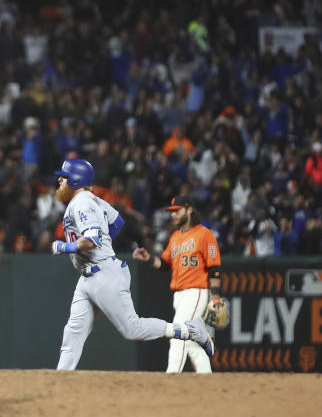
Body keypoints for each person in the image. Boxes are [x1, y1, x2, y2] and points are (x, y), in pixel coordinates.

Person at [50, 158, 213, 370]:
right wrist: (103, 243)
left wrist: (66, 248)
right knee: (73, 331)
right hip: (90, 275)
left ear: (76, 181)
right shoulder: (94, 200)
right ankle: (60, 379)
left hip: (104, 275)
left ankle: (190, 330)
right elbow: (117, 221)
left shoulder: (81, 203)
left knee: (132, 329)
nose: (60, 180)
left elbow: (92, 240)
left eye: (64, 177)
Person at [133, 196, 223, 374]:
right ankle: (208, 382)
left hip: (196, 291)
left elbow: (214, 268)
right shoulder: (175, 237)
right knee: (193, 344)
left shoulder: (205, 234)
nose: (173, 215)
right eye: (172, 211)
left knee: (178, 336)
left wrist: (215, 295)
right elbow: (165, 264)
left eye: (177, 210)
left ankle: (171, 377)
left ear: (189, 210)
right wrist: (149, 258)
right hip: (179, 295)